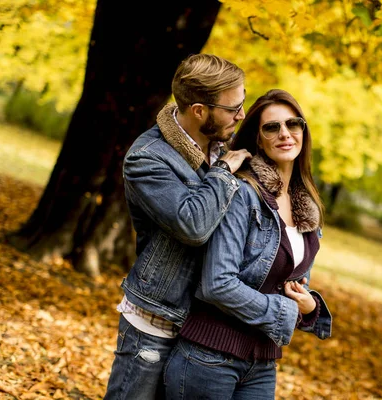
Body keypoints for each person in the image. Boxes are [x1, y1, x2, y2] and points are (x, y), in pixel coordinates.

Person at [163, 89, 333, 399]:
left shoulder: (307, 207)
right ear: (258, 138)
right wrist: (286, 313)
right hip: (209, 357)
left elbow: (285, 281)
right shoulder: (243, 193)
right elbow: (217, 283)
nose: (285, 133)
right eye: (272, 127)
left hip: (262, 363)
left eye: (293, 124)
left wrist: (310, 307)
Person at [104, 54, 252, 400]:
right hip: (155, 320)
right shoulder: (149, 157)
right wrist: (223, 174)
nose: (241, 115)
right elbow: (193, 225)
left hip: (200, 326)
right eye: (234, 108)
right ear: (199, 110)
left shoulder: (222, 145)